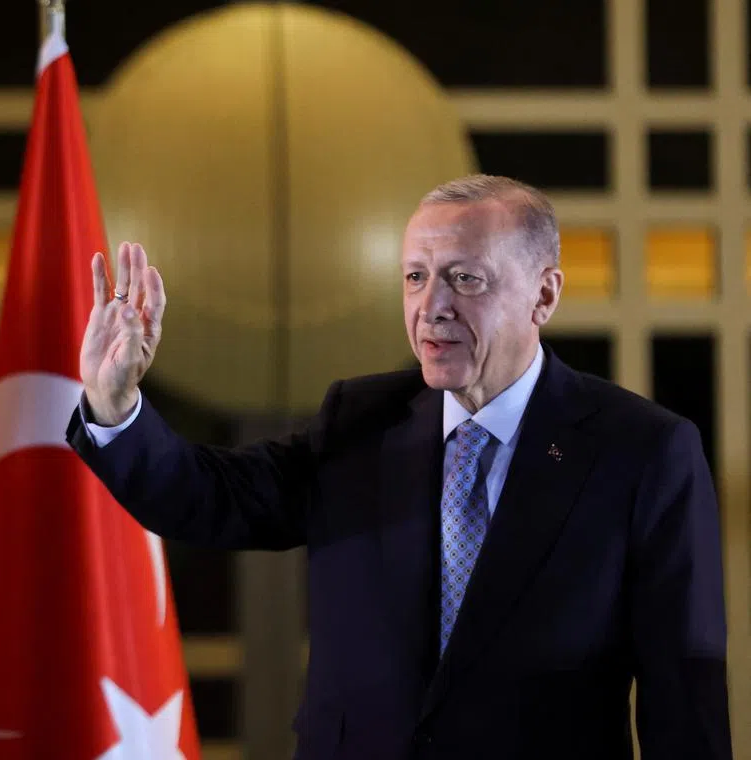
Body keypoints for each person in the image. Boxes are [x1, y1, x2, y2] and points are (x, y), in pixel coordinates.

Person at [65, 174, 732, 759]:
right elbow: (212, 499)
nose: (431, 305)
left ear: (544, 295)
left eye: (465, 278)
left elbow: (685, 694)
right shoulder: (360, 420)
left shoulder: (641, 450)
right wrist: (113, 402)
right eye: (415, 276)